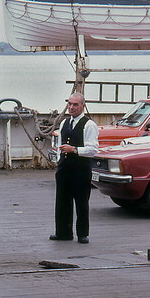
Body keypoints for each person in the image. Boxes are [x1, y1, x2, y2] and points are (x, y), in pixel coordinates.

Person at [50, 92, 99, 244]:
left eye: (75, 105)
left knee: (81, 201)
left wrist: (75, 150)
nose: (71, 107)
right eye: (70, 104)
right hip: (64, 169)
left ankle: (82, 234)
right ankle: (63, 232)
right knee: (62, 201)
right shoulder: (64, 123)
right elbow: (59, 145)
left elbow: (93, 149)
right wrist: (59, 161)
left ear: (83, 106)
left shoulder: (89, 125)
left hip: (81, 169)